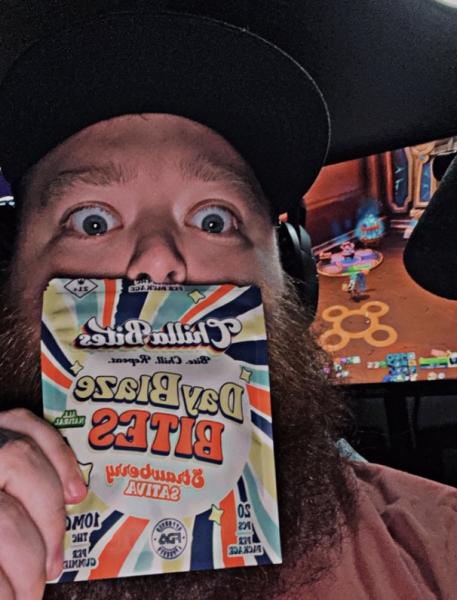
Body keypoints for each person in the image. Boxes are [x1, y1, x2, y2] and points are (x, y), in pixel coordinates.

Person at [0, 10, 456, 600]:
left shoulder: (436, 546)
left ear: (292, 283)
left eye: (215, 220)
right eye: (91, 221)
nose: (158, 259)